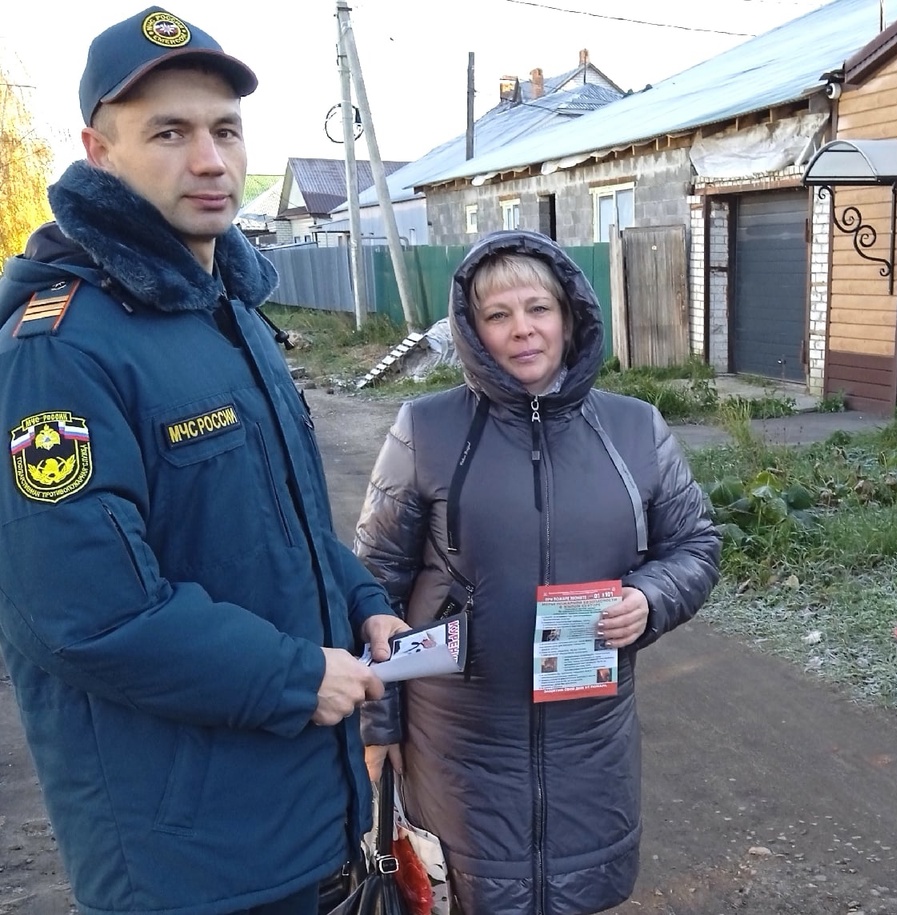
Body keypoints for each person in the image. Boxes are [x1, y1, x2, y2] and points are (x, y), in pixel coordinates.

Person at [0, 8, 407, 914]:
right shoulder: (60, 349)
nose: (211, 160)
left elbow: (280, 523)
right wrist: (295, 674)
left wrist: (363, 601)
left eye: (225, 130)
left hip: (299, 820)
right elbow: (84, 614)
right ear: (98, 150)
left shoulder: (229, 316)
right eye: (169, 133)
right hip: (183, 862)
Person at [356, 229, 721, 915]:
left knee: (582, 893)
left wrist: (649, 598)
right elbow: (370, 584)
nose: (522, 330)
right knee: (462, 899)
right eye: (498, 316)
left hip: (591, 741)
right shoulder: (426, 430)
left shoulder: (635, 428)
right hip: (457, 746)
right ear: (472, 329)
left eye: (537, 309)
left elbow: (696, 544)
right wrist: (380, 726)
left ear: (569, 315)